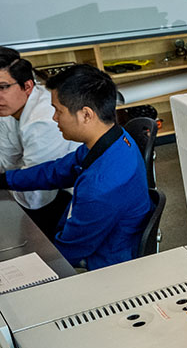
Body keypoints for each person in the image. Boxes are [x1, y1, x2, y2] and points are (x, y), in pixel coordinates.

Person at [0, 64, 151, 270]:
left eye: (58, 111)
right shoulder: (112, 139)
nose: (54, 118)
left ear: (86, 115)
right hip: (97, 237)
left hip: (106, 265)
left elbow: (65, 256)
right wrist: (5, 180)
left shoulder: (100, 187)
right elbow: (57, 170)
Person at [0, 48, 79, 238]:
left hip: (67, 198)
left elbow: (34, 197)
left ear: (27, 86)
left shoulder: (44, 120)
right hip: (42, 191)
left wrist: (11, 178)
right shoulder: (10, 107)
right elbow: (5, 162)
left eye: (2, 87)